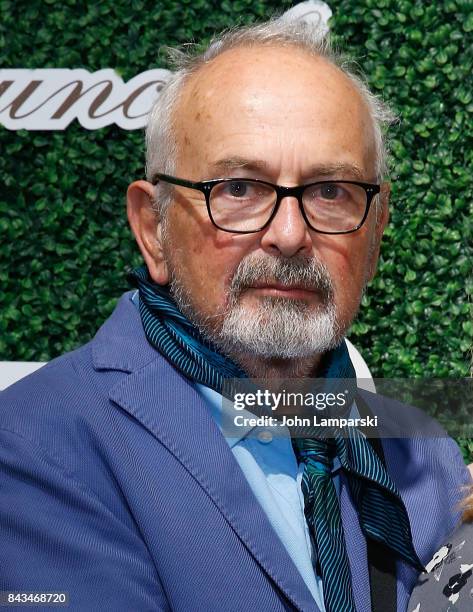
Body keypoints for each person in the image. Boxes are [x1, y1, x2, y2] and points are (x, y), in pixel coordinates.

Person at [0, 18, 470, 612]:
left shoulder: (424, 454)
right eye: (240, 189)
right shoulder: (32, 445)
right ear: (154, 228)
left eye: (331, 191)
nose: (290, 234)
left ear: (375, 234)